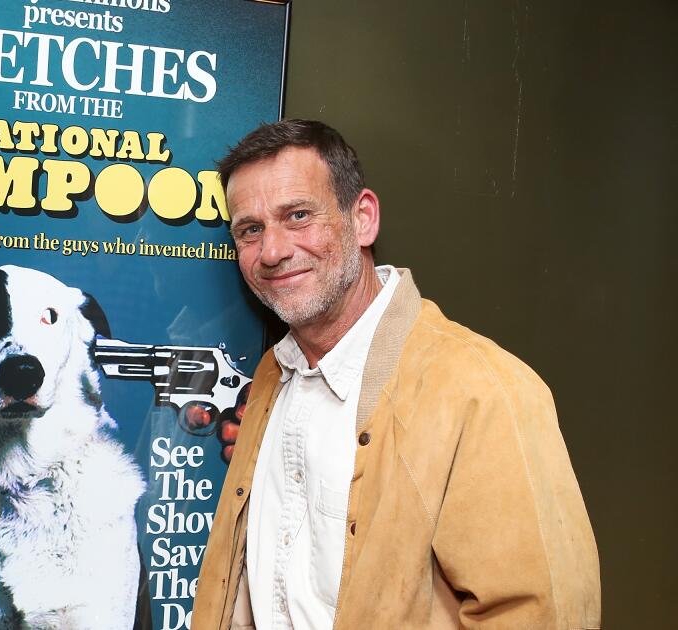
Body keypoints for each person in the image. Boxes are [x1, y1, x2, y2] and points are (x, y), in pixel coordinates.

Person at [192, 120, 600, 629]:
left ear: (362, 219)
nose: (272, 251)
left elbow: (541, 615)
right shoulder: (274, 374)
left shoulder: (482, 390)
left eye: (298, 216)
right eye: (250, 230)